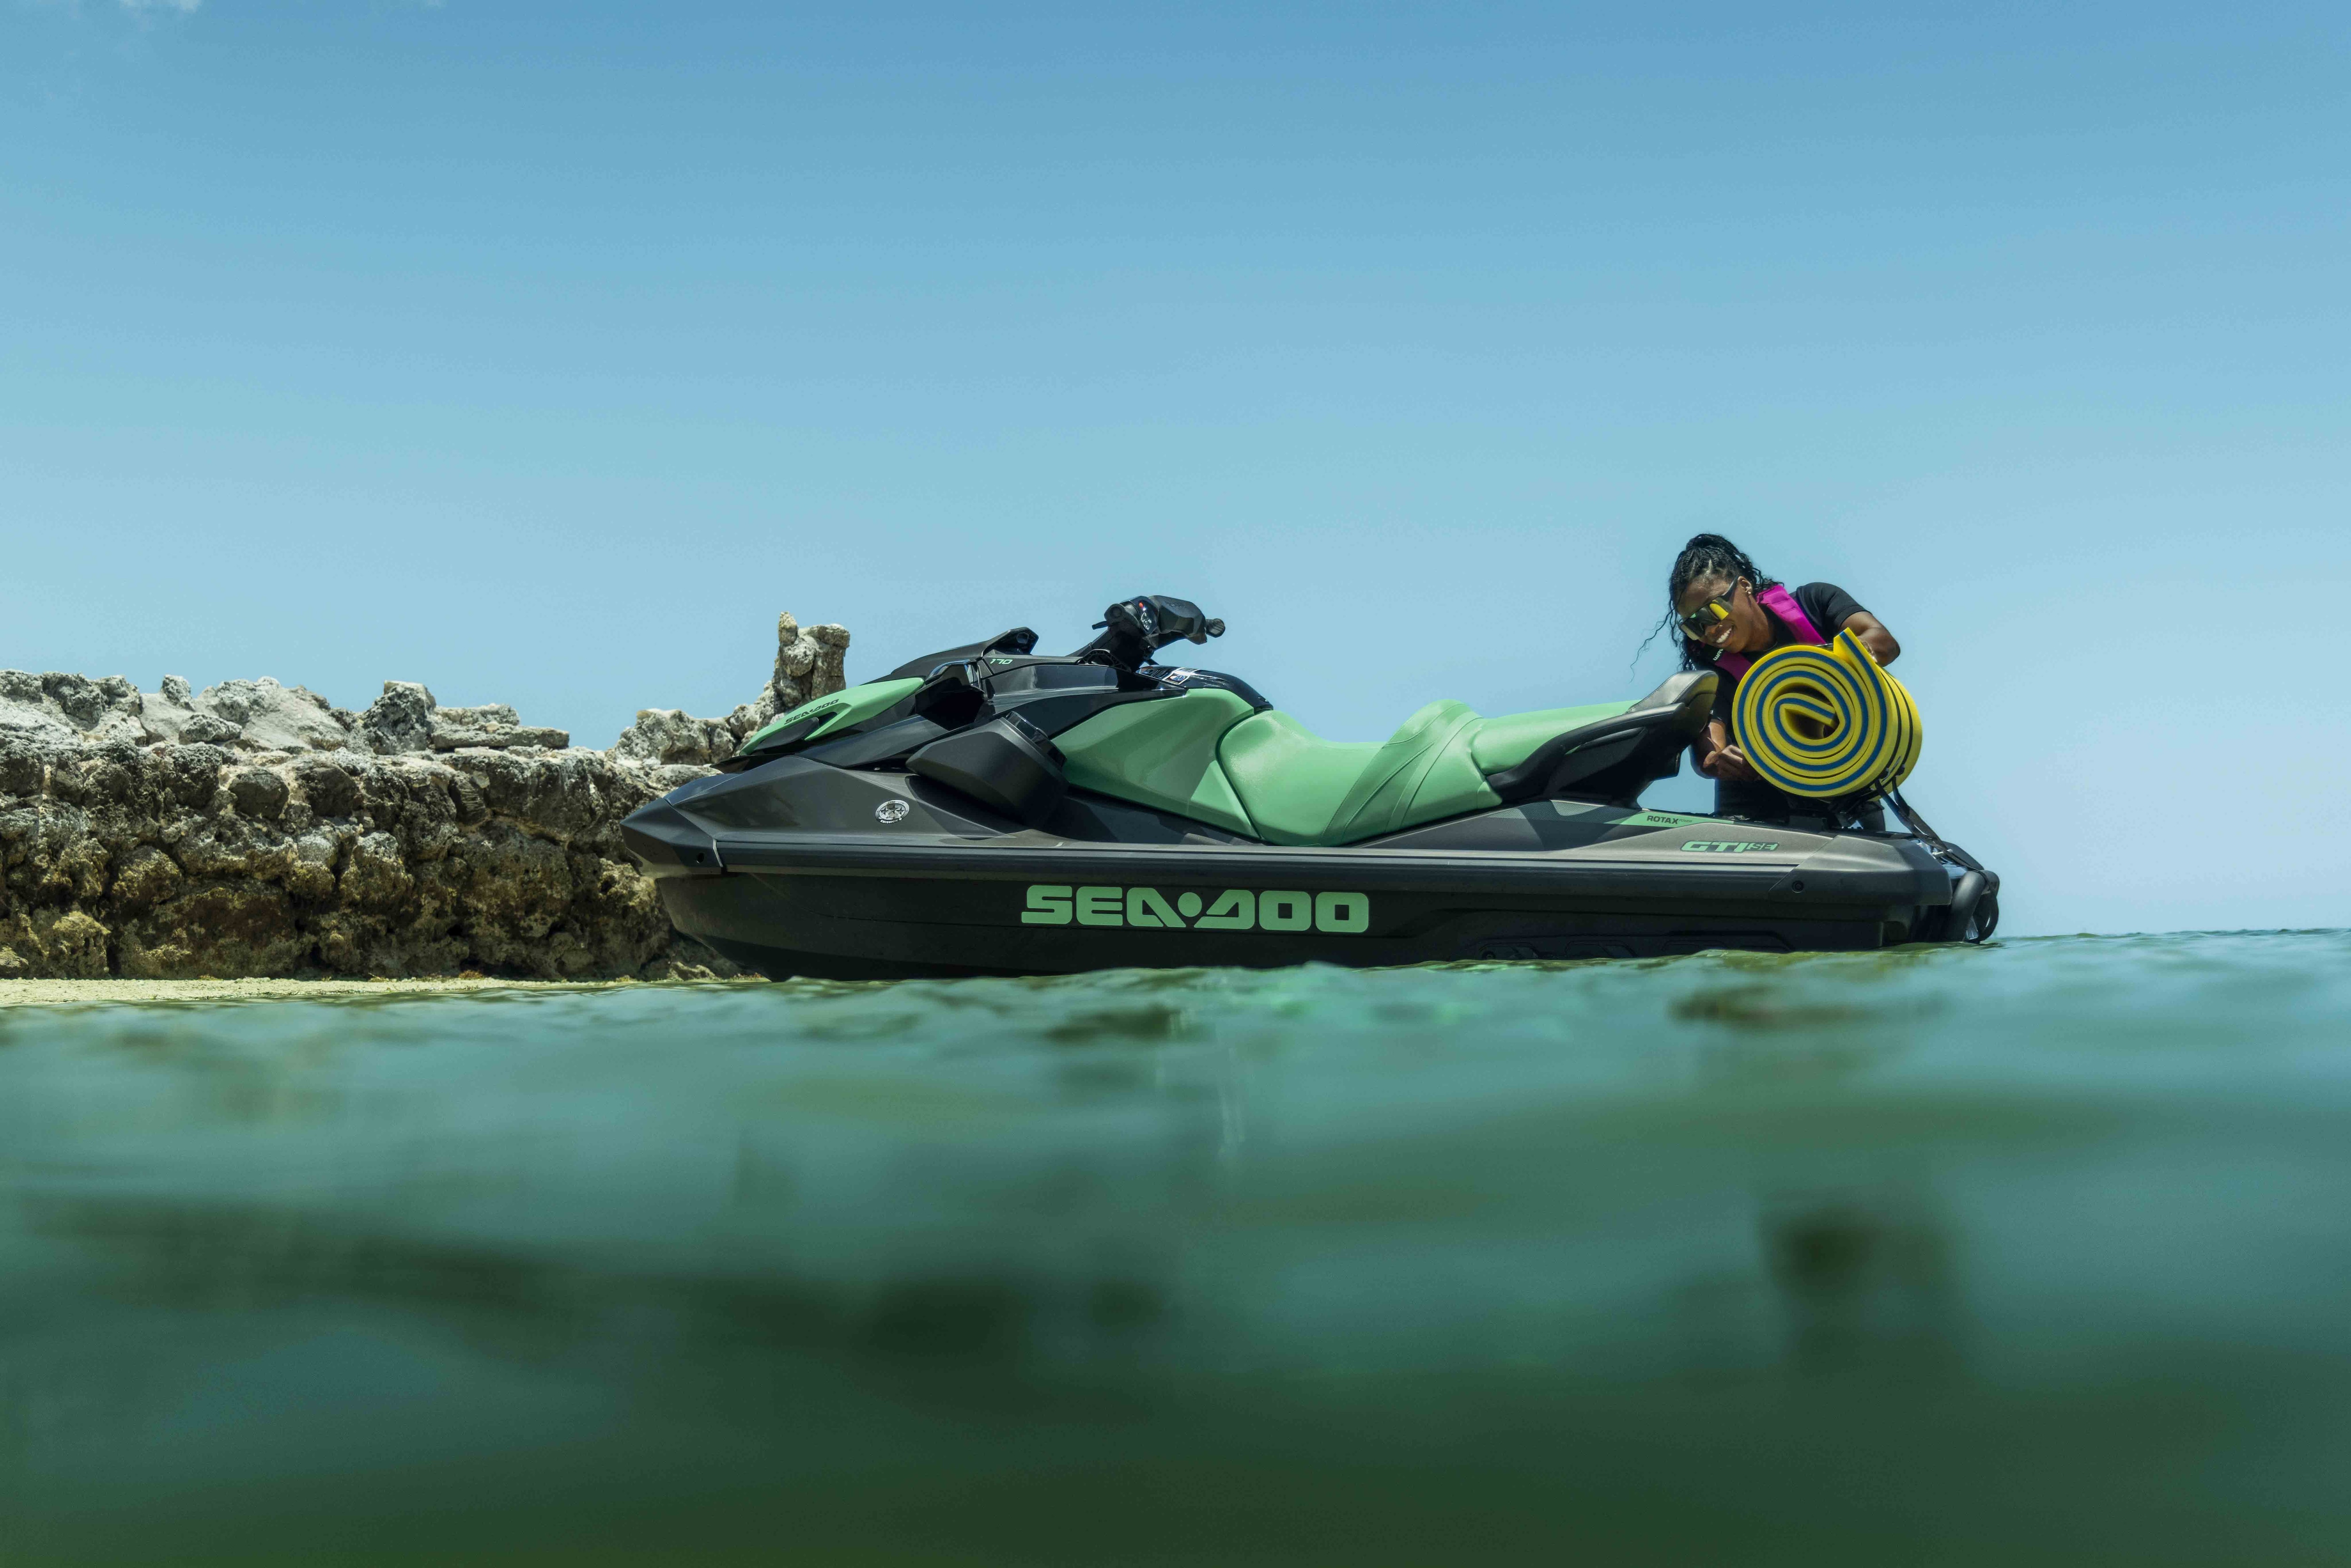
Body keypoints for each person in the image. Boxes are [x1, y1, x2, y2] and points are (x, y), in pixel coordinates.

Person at [1651, 533, 1901, 825]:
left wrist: (1814, 667)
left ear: (1744, 585)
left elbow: (1884, 643)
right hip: (1758, 805)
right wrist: (1718, 761)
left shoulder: (1815, 602)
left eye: (1714, 609)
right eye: (1695, 624)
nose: (1710, 630)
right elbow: (1709, 752)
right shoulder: (1714, 665)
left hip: (1847, 785)